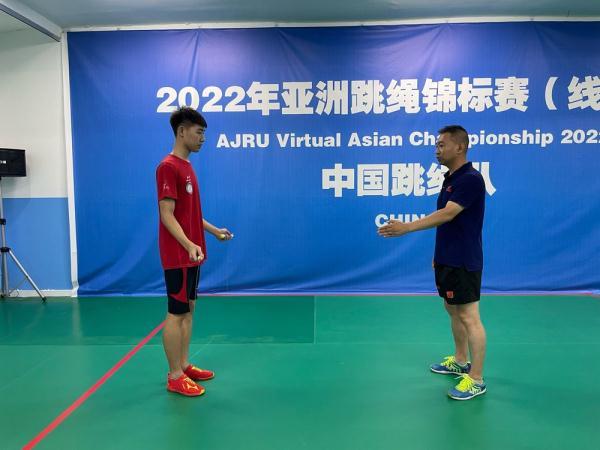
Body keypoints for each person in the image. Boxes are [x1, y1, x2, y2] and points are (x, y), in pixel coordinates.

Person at [378, 125, 487, 400]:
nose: (436, 150)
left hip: (464, 260)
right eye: (436, 145)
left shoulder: (471, 179)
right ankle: (461, 360)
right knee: (452, 309)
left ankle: (476, 378)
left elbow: (448, 214)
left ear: (459, 147)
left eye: (441, 145)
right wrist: (439, 255)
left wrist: (407, 227)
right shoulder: (451, 178)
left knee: (469, 316)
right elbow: (449, 223)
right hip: (448, 258)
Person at [156, 106, 233, 397]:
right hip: (178, 255)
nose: (203, 138)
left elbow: (190, 215)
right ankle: (174, 376)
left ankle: (184, 365)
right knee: (176, 313)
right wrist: (188, 244)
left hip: (193, 254)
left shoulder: (187, 167)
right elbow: (167, 214)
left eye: (204, 133)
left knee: (189, 310)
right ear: (181, 131)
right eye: (199, 132)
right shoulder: (168, 167)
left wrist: (213, 231)